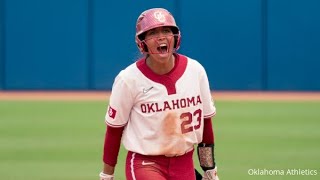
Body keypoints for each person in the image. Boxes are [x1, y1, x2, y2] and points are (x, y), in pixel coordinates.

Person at [99, 7, 219, 180]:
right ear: (143, 42)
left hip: (184, 164)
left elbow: (206, 123)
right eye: (153, 32)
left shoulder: (195, 71)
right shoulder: (128, 79)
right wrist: (106, 175)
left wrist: (209, 169)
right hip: (145, 164)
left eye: (166, 30)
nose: (161, 36)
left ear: (175, 37)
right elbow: (114, 130)